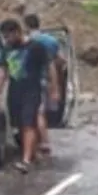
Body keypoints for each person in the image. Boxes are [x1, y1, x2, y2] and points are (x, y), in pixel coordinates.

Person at [0, 18, 58, 172]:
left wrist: (54, 89)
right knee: (18, 125)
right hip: (15, 91)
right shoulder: (7, 49)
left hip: (32, 90)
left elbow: (50, 67)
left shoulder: (36, 47)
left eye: (8, 36)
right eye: (4, 37)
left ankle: (26, 160)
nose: (7, 39)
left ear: (18, 32)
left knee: (28, 123)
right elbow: (3, 71)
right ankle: (34, 151)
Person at [24, 13, 66, 157]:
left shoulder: (28, 42)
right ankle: (40, 142)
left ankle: (44, 142)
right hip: (49, 80)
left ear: (26, 26)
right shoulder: (51, 40)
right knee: (43, 111)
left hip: (35, 81)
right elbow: (61, 60)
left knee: (38, 112)